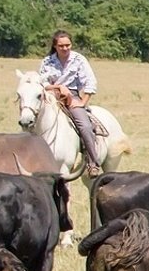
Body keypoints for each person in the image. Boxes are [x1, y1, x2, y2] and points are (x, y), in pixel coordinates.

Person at [37, 30, 103, 177]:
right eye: (61, 46)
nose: (65, 48)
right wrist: (59, 87)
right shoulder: (47, 61)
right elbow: (41, 82)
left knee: (85, 126)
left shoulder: (79, 60)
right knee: (30, 122)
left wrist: (82, 102)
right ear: (55, 46)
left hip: (72, 97)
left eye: (68, 45)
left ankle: (93, 162)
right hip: (50, 96)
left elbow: (90, 82)